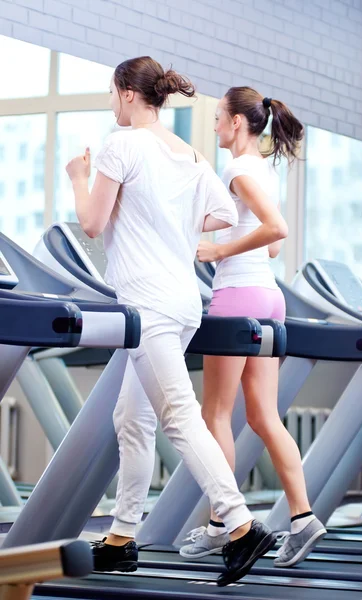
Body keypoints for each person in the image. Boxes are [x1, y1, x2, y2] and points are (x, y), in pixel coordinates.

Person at [65, 57, 276, 586]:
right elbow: (223, 216)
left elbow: (91, 222)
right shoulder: (189, 153)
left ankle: (241, 525)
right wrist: (168, 220)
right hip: (181, 302)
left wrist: (79, 177)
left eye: (113, 95)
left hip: (150, 305)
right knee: (131, 418)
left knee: (179, 417)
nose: (112, 104)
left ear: (126, 94)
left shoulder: (123, 145)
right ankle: (121, 538)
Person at [179, 87, 327, 568]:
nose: (217, 125)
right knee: (263, 416)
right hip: (268, 297)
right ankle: (303, 519)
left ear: (238, 123)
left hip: (237, 298)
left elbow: (277, 230)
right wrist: (236, 237)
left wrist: (216, 250)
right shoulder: (260, 170)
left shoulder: (238, 169)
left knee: (215, 415)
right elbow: (271, 247)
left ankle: (224, 525)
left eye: (219, 118)